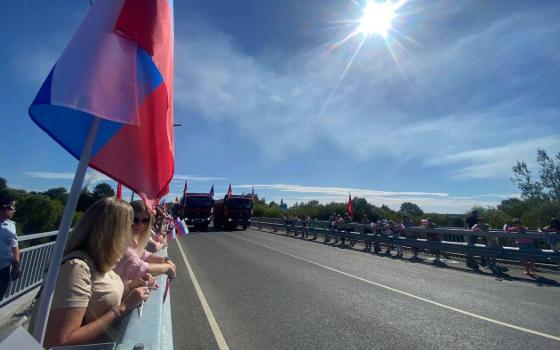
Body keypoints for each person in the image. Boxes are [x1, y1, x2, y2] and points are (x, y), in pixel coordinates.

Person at [42, 198, 150, 348]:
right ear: (112, 230)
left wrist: (130, 287)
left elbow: (98, 298)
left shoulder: (99, 261)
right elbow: (59, 342)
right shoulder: (76, 268)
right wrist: (122, 308)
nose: (134, 230)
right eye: (130, 225)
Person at [115, 200, 177, 282]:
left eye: (145, 221)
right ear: (125, 218)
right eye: (135, 220)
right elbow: (139, 267)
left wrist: (165, 259)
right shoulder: (120, 241)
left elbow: (143, 254)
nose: (140, 225)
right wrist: (167, 267)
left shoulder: (133, 239)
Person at [0, 198, 19, 300]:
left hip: (3, 270)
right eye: (12, 208)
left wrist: (16, 267)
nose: (14, 211)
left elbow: (14, 247)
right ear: (3, 208)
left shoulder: (11, 225)